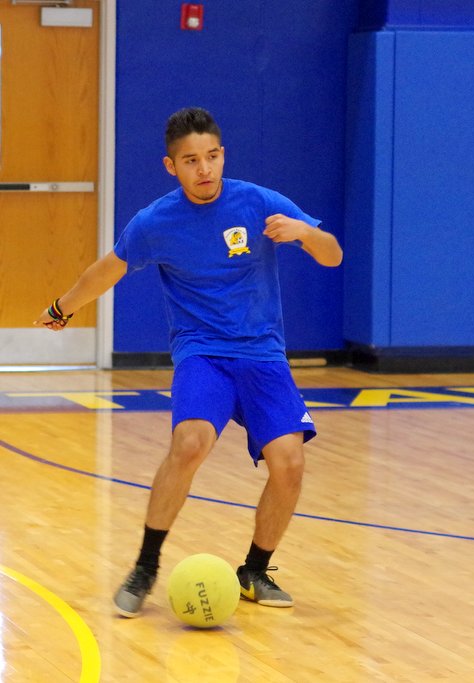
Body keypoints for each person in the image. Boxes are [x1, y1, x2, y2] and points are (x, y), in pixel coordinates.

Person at [35, 107, 343, 617]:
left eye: (212, 157)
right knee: (190, 442)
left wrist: (304, 233)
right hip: (203, 354)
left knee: (290, 463)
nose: (205, 169)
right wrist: (62, 307)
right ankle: (145, 566)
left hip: (263, 356)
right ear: (171, 166)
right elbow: (107, 270)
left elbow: (332, 254)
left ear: (223, 155)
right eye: (191, 161)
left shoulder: (259, 202)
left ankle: (255, 570)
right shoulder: (155, 222)